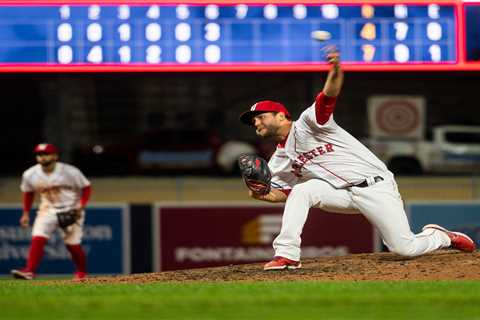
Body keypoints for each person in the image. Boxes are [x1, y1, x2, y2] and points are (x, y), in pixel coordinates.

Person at [239, 49, 476, 271]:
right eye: (252, 122)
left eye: (259, 117)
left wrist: (335, 70)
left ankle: (441, 236)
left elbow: (328, 95)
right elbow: (279, 194)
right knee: (303, 191)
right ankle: (287, 255)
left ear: (282, 116)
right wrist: (259, 191)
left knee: (405, 248)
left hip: (376, 186)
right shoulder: (279, 159)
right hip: (342, 193)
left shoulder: (309, 124)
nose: (255, 123)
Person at [11, 143, 92, 280]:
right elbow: (28, 192)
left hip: (71, 209)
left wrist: (81, 206)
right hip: (47, 209)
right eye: (39, 155)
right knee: (38, 236)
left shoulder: (70, 171)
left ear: (55, 156)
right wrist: (25, 213)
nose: (42, 157)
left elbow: (86, 187)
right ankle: (29, 271)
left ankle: (81, 273)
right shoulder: (30, 174)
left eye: (46, 154)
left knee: (72, 244)